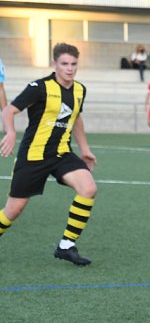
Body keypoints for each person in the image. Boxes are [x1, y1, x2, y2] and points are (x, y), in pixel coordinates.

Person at [0, 43, 98, 265]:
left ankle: (66, 245)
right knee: (12, 211)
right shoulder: (39, 87)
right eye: (64, 64)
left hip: (62, 153)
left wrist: (85, 149)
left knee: (88, 188)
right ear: (55, 64)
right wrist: (11, 132)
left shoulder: (80, 90)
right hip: (34, 156)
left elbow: (76, 118)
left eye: (73, 64)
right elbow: (9, 110)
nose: (70, 69)